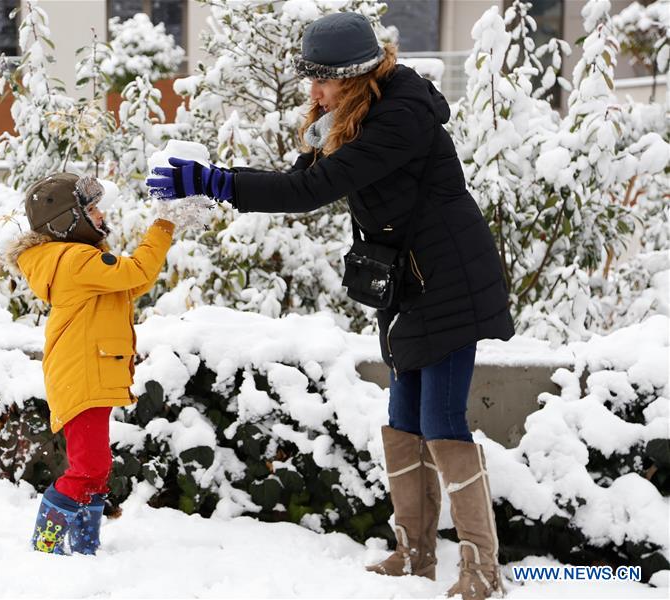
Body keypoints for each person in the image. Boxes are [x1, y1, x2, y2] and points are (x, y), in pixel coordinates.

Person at [147, 11, 514, 600]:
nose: (312, 92)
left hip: (450, 282)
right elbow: (303, 175)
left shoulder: (399, 119)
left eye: (322, 81)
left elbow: (308, 192)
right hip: (406, 283)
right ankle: (415, 553)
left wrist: (215, 181)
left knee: (442, 421)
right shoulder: (345, 112)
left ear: (355, 75)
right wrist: (222, 177)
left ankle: (482, 569)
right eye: (309, 80)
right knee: (403, 418)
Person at [6, 172, 177, 555]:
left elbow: (131, 283)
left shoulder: (73, 259)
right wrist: (165, 222)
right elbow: (137, 271)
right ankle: (46, 549)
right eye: (93, 209)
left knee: (95, 469)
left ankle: (85, 546)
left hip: (84, 372)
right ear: (68, 220)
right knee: (87, 468)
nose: (101, 215)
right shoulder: (74, 260)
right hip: (81, 375)